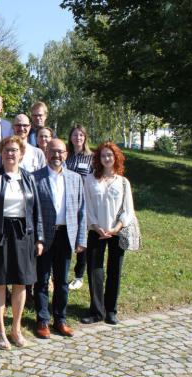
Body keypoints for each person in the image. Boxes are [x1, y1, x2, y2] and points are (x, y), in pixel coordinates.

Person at [0, 136, 44, 349]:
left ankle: (15, 329)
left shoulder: (29, 178)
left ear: (21, 153)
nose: (10, 153)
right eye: (7, 150)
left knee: (21, 281)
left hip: (23, 234)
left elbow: (37, 211)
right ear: (1, 152)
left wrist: (39, 238)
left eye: (15, 150)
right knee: (0, 281)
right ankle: (0, 330)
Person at [32, 139, 87, 339]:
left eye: (61, 152)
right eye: (53, 152)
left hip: (66, 235)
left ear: (66, 154)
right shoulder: (35, 178)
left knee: (62, 281)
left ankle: (60, 319)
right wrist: (36, 238)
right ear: (46, 152)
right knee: (42, 279)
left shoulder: (75, 178)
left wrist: (81, 239)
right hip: (44, 235)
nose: (57, 156)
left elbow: (82, 210)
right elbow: (32, 211)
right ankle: (42, 320)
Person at [81, 142, 134, 326]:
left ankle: (111, 310)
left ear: (116, 157)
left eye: (110, 155)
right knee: (95, 270)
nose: (106, 158)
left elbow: (128, 210)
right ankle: (96, 310)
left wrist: (117, 227)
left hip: (116, 232)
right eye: (103, 155)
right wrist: (95, 226)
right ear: (98, 158)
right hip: (96, 231)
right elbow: (86, 205)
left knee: (114, 271)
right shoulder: (90, 180)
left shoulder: (123, 182)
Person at [65, 125, 94, 290]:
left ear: (85, 138)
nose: (78, 138)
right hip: (67, 203)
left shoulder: (91, 158)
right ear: (70, 138)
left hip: (84, 204)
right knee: (67, 238)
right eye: (75, 135)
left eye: (81, 135)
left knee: (81, 240)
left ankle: (79, 276)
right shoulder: (66, 157)